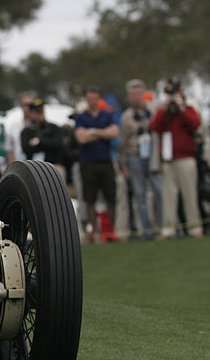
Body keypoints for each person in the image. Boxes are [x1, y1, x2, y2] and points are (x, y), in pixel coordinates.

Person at [150, 77, 203, 238]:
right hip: (168, 159)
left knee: (189, 194)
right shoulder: (162, 110)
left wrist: (180, 108)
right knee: (168, 196)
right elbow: (154, 127)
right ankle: (168, 229)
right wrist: (166, 109)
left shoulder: (189, 107)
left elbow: (195, 124)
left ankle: (195, 228)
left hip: (186, 157)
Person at [74, 87, 120, 243]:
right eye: (89, 98)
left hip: (105, 161)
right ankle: (94, 231)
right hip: (88, 163)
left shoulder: (106, 115)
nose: (91, 101)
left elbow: (114, 132)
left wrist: (93, 132)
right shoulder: (80, 117)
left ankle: (109, 230)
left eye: (94, 98)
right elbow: (81, 138)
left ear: (98, 99)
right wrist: (102, 133)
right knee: (90, 198)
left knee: (111, 197)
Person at [118, 80, 162, 240]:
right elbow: (122, 143)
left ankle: (163, 227)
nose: (136, 97)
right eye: (133, 94)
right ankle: (147, 230)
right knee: (140, 195)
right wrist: (124, 165)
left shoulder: (154, 110)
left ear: (144, 94)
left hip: (152, 156)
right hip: (134, 156)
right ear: (129, 97)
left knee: (159, 191)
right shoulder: (126, 117)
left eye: (139, 94)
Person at [21, 98, 68, 179]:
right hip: (34, 167)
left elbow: (57, 144)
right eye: (36, 112)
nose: (39, 115)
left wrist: (39, 142)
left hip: (53, 165)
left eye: (41, 111)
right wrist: (46, 143)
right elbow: (27, 149)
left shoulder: (53, 128)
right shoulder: (27, 131)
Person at [4, 91, 37, 166]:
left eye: (31, 105)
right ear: (21, 106)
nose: (29, 108)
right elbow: (10, 150)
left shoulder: (40, 126)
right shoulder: (14, 126)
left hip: (37, 167)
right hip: (19, 166)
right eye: (26, 105)